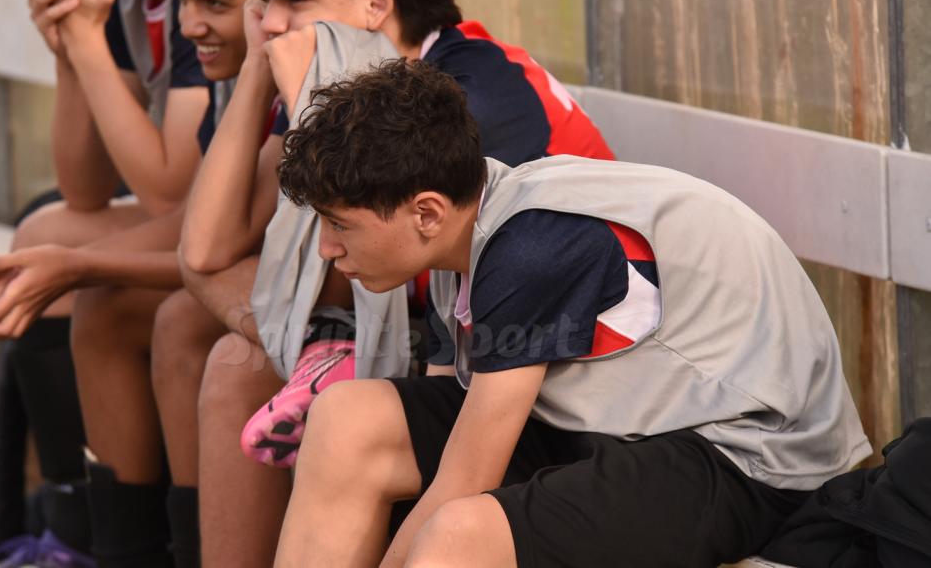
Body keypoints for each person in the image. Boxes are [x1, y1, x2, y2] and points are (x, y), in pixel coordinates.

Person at [271, 58, 873, 568]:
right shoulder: (464, 228)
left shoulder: (530, 247)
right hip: (629, 424)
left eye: (340, 225)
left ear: (426, 213)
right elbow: (444, 410)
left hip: (748, 456)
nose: (327, 249)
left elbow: (464, 481)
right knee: (347, 421)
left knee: (458, 539)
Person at [177, 0, 614, 564]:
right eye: (263, 3)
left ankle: (324, 360)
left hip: (547, 371)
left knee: (259, 367)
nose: (269, 22)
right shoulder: (356, 85)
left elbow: (368, 268)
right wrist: (261, 75)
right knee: (230, 356)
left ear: (376, 2)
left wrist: (301, 98)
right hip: (438, 328)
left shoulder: (465, 96)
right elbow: (205, 252)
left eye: (295, 0)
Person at [0, 0, 225, 564]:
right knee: (45, 232)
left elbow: (168, 190)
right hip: (204, 219)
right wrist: (72, 54)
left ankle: (99, 534)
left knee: (78, 273)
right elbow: (85, 186)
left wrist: (88, 46)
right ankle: (76, 520)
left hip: (235, 224)